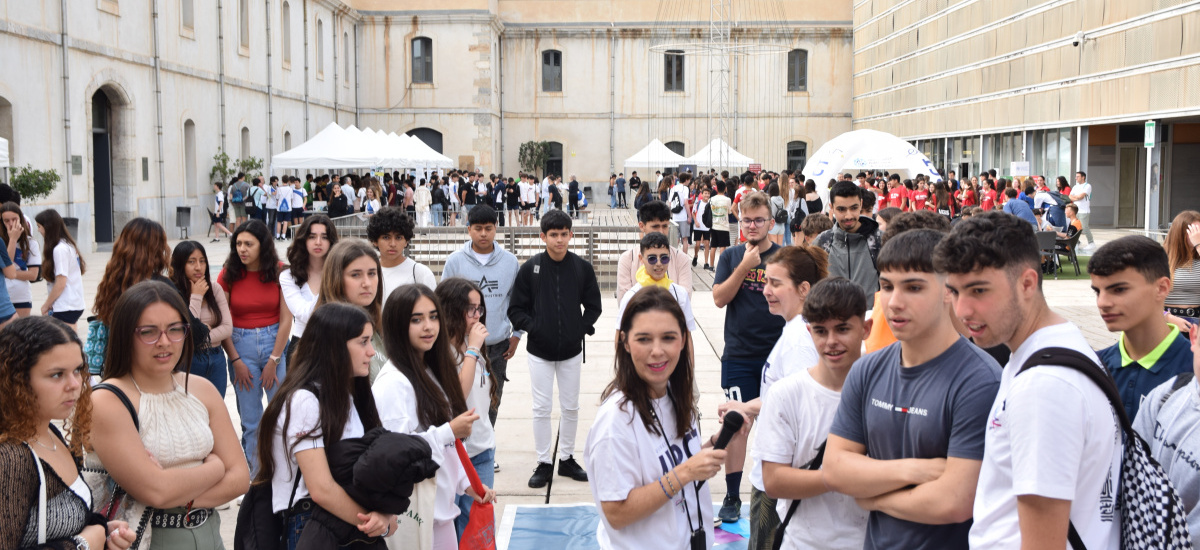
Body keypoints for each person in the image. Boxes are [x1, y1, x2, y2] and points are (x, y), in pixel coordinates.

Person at [933, 212, 1121, 549]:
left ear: (1028, 283)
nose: (962, 310)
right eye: (955, 292)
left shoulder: (1044, 386)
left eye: (979, 290)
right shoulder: (1056, 348)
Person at [823, 228, 1001, 549]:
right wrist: (916, 470)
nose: (894, 302)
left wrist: (872, 498)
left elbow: (954, 501)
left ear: (950, 290)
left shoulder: (980, 380)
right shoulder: (867, 369)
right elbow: (836, 469)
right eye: (886, 286)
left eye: (914, 287)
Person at [90, 281, 250, 546]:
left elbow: (240, 479)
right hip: (150, 538)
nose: (164, 342)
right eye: (148, 332)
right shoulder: (108, 400)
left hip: (209, 533)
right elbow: (157, 491)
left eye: (175, 330)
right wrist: (216, 467)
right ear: (124, 335)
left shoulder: (201, 388)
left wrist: (170, 487)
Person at [584, 286, 724, 549]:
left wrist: (711, 449)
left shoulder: (674, 393)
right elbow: (616, 513)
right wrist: (685, 472)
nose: (657, 351)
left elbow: (672, 461)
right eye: (644, 339)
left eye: (668, 337)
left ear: (683, 340)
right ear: (624, 342)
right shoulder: (615, 421)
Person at [257, 302, 398, 550]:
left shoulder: (348, 396)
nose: (372, 351)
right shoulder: (304, 401)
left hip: (345, 523)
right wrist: (373, 521)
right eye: (363, 342)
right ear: (335, 346)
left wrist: (385, 516)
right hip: (312, 525)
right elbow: (321, 488)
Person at [718, 244, 828, 548]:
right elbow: (784, 392)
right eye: (766, 281)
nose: (766, 290)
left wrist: (748, 408)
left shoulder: (799, 340)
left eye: (776, 283)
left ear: (804, 289)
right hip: (775, 470)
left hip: (780, 475)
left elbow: (799, 399)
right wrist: (745, 406)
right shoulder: (793, 329)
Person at [0, 316, 140, 550]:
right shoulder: (11, 457)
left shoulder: (50, 432)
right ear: (17, 380)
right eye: (57, 374)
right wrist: (82, 545)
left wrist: (103, 532)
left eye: (77, 370)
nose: (74, 384)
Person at [755, 278, 872, 550]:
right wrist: (841, 477)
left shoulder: (885, 390)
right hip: (804, 543)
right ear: (808, 331)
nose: (831, 342)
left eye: (842, 329)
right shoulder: (786, 394)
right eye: (821, 331)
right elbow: (773, 480)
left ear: (865, 328)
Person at [374, 285, 494, 549]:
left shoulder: (429, 369)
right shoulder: (393, 382)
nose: (428, 326)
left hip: (439, 511)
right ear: (396, 324)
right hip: (415, 514)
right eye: (416, 319)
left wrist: (468, 484)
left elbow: (450, 448)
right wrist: (450, 430)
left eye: (433, 316)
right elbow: (397, 452)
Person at [508, 210, 602, 488]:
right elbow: (516, 309)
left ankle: (566, 458)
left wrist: (579, 328)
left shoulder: (581, 268)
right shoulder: (531, 268)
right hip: (539, 352)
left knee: (571, 407)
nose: (559, 240)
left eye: (564, 234)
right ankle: (543, 462)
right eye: (553, 235)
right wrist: (535, 327)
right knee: (541, 407)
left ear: (571, 235)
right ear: (543, 236)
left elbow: (594, 306)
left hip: (571, 351)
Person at [711, 191, 787, 523]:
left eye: (758, 220)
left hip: (778, 354)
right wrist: (744, 266)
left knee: (779, 424)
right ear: (738, 222)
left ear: (771, 222)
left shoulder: (785, 257)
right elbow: (718, 298)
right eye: (746, 220)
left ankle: (774, 490)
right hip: (740, 354)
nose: (752, 226)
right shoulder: (730, 256)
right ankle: (731, 494)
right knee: (739, 423)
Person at [1090, 236, 1194, 420]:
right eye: (1098, 291)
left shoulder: (1194, 369)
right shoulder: (1093, 368)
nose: (1102, 302)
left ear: (1162, 288)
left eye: (1119, 289)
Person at [218, 220, 291, 474]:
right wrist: (236, 360)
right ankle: (257, 478)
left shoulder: (281, 271)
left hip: (275, 343)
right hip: (240, 344)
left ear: (263, 245)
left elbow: (286, 320)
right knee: (251, 421)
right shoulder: (229, 273)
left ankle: (284, 473)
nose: (242, 249)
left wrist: (274, 360)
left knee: (281, 416)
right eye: (238, 243)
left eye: (249, 244)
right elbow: (222, 320)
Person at [441, 205, 523, 429]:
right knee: (462, 396)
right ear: (468, 230)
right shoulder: (455, 261)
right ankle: (463, 449)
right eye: (478, 228)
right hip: (462, 344)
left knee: (492, 398)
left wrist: (516, 335)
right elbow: (443, 302)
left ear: (496, 228)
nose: (484, 234)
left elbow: (517, 302)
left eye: (488, 228)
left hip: (497, 346)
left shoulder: (510, 262)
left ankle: (488, 447)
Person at [434, 278, 499, 538]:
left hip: (482, 449)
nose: (476, 315)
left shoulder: (471, 344)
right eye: (470, 309)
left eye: (479, 308)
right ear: (450, 309)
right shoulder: (442, 351)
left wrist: (473, 347)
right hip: (457, 452)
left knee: (478, 528)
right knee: (455, 529)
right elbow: (457, 396)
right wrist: (472, 348)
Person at [315, 239, 390, 380]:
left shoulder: (380, 325)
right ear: (336, 278)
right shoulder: (327, 334)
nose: (367, 283)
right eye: (356, 274)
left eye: (372, 273)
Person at [170, 241, 233, 397]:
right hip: (188, 360)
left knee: (215, 412)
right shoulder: (173, 292)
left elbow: (227, 327)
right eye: (191, 262)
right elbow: (187, 332)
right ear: (180, 264)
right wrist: (196, 296)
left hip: (216, 358)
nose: (198, 267)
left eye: (202, 261)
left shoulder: (214, 288)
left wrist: (201, 336)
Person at [814, 180, 883, 309]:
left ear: (861, 204)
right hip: (832, 322)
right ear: (832, 208)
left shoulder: (880, 240)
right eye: (841, 209)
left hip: (871, 323)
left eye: (854, 208)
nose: (848, 215)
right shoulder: (822, 242)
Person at [615, 232, 697, 335]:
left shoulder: (680, 294)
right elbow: (620, 334)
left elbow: (687, 334)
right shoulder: (631, 296)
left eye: (664, 258)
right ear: (641, 259)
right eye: (652, 259)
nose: (659, 264)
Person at [281, 215, 338, 356]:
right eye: (312, 237)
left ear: (331, 241)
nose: (318, 242)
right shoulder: (289, 276)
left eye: (324, 237)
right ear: (303, 240)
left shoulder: (341, 272)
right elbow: (304, 313)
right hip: (301, 346)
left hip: (337, 344)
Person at [617, 201, 694, 299]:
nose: (661, 232)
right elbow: (625, 302)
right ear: (642, 226)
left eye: (665, 226)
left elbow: (684, 299)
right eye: (655, 226)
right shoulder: (627, 259)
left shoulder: (681, 259)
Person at [367, 207, 435, 301]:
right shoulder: (367, 274)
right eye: (386, 237)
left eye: (398, 238)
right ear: (375, 240)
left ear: (406, 241)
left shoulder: (421, 273)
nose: (393, 244)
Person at [33, 210, 86, 328]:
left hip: (66, 305)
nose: (38, 230)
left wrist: (47, 304)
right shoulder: (67, 245)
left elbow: (61, 282)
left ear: (48, 227)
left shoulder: (59, 249)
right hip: (72, 304)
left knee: (65, 342)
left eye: (39, 226)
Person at [2, 202, 40, 319]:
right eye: (6, 221)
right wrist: (12, 240)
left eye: (14, 219)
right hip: (3, 297)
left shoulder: (31, 243)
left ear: (21, 219)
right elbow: (6, 265)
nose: (11, 223)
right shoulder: (1, 242)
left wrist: (11, 274)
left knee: (19, 335)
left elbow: (33, 275)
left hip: (21, 296)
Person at [1164, 210, 1200, 328]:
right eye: (1194, 231)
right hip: (1168, 323)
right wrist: (1167, 317)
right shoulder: (1160, 259)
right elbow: (1143, 299)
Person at [708, 180, 733, 271]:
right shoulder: (728, 199)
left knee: (713, 246)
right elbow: (729, 212)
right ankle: (721, 267)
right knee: (723, 246)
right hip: (724, 226)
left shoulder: (712, 199)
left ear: (717, 189)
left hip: (714, 225)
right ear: (725, 189)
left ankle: (711, 265)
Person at [1070, 171, 1094, 248]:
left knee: (1084, 227)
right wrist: (1076, 197)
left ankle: (1091, 243)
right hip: (1075, 210)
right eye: (1076, 176)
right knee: (1074, 227)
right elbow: (1070, 196)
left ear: (1083, 177)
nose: (1076, 178)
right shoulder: (1075, 187)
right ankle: (1077, 242)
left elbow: (1081, 196)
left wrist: (1076, 197)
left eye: (1078, 176)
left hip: (1084, 210)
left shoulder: (1087, 186)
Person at [670, 174, 693, 255]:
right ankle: (684, 257)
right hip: (683, 217)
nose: (689, 181)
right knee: (685, 239)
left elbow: (670, 203)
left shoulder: (673, 188)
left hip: (675, 217)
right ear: (686, 180)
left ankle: (674, 256)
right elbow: (686, 202)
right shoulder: (685, 188)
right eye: (689, 180)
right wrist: (689, 216)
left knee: (676, 239)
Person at [692, 186, 713, 268]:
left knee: (707, 244)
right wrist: (696, 221)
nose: (707, 195)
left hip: (707, 227)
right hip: (698, 226)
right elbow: (693, 213)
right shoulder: (698, 203)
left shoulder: (711, 204)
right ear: (702, 194)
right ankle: (695, 256)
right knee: (697, 244)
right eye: (705, 193)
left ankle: (706, 262)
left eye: (708, 193)